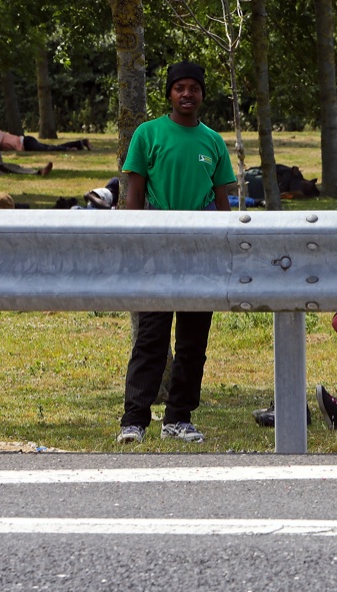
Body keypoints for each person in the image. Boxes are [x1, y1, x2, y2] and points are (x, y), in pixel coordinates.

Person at [116, 61, 235, 445]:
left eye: (194, 88)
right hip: (156, 248)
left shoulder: (213, 142)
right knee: (151, 336)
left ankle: (178, 418)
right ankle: (133, 420)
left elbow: (222, 204)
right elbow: (134, 195)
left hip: (200, 251)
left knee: (193, 341)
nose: (187, 94)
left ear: (202, 95)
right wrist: (136, 243)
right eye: (179, 87)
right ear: (168, 93)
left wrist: (223, 246)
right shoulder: (147, 134)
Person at [0, 130, 91, 152]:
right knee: (49, 147)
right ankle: (80, 143)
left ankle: (69, 148)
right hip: (26, 144)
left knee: (47, 148)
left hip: (26, 142)